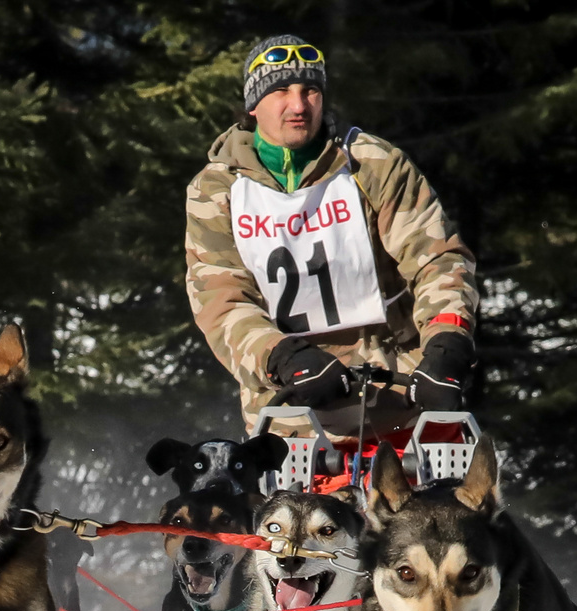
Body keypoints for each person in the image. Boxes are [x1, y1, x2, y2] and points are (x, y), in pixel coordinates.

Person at [185, 35, 480, 435]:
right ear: (253, 105)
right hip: (292, 403)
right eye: (280, 92)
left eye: (310, 90)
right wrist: (282, 357)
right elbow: (220, 300)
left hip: (402, 389)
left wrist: (447, 341)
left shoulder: (372, 164)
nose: (298, 105)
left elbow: (436, 259)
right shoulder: (216, 190)